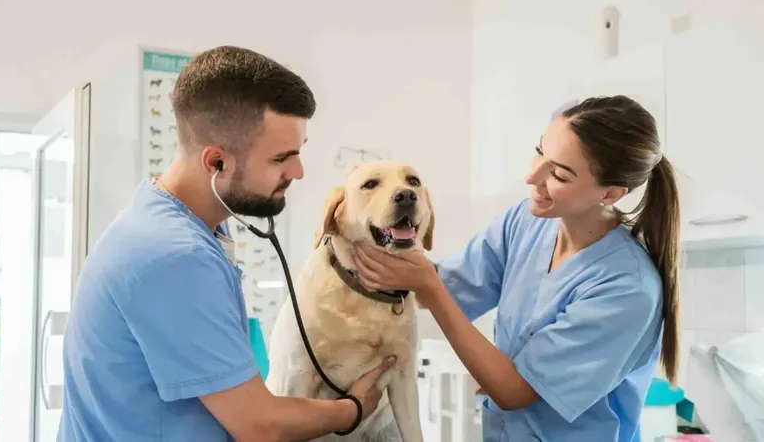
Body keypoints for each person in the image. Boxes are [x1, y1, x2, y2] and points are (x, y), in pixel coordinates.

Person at [57, 46, 397, 442]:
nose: (298, 172)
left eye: (298, 154)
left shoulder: (180, 222)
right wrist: (352, 409)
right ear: (216, 162)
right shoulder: (175, 255)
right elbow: (259, 425)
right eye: (281, 159)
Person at [351, 95, 681, 441]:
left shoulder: (627, 287)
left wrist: (427, 285)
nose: (531, 177)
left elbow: (514, 392)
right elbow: (445, 286)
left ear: (610, 194)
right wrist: (362, 245)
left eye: (558, 174)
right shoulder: (525, 223)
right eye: (539, 151)